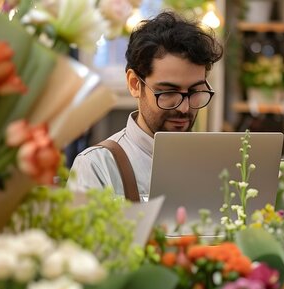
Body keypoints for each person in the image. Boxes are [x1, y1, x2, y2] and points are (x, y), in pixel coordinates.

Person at [68, 11, 223, 201]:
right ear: (135, 84)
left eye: (194, 92)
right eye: (168, 92)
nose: (184, 108)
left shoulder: (216, 164)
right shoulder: (97, 166)